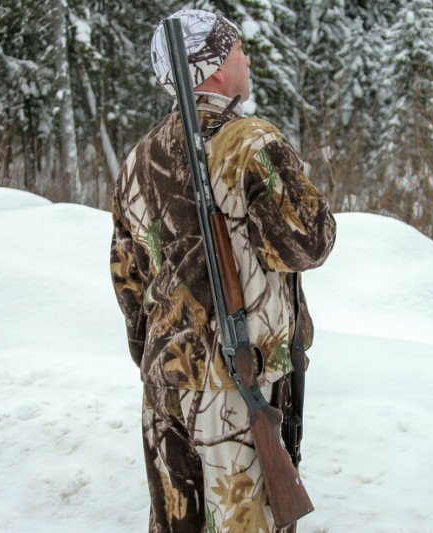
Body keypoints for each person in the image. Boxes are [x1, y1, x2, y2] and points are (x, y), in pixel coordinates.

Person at [110, 9, 336, 532]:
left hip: (164, 385)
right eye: (236, 48)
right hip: (238, 388)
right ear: (211, 67)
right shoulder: (249, 141)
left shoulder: (138, 158)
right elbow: (309, 243)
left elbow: (129, 280)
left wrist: (160, 356)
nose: (246, 56)